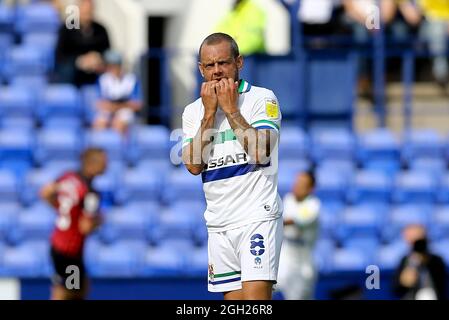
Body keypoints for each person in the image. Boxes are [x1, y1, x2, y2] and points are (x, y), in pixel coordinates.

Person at [182, 32, 283, 300]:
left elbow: (261, 151)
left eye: (223, 63)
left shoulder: (262, 99)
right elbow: (193, 165)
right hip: (218, 224)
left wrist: (231, 110)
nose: (217, 72)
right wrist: (209, 114)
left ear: (239, 62)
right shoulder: (193, 111)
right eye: (210, 65)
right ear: (201, 69)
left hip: (256, 217)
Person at [40, 148, 107, 300]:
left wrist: (60, 207)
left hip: (58, 244)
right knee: (70, 291)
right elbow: (86, 227)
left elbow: (45, 192)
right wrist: (99, 220)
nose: (106, 166)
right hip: (70, 251)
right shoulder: (90, 193)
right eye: (104, 162)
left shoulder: (68, 176)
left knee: (76, 286)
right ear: (93, 164)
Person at [277, 171, 321, 300]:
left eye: (302, 184)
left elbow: (295, 220)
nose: (297, 186)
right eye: (296, 182)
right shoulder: (288, 199)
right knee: (267, 288)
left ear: (310, 189)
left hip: (303, 262)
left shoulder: (314, 205)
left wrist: (271, 221)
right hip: (285, 255)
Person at [54, 0, 110, 87]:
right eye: (84, 11)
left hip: (95, 70)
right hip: (73, 71)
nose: (87, 14)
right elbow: (60, 56)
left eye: (89, 11)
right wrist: (80, 61)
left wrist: (97, 59)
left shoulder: (100, 30)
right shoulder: (68, 28)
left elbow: (107, 52)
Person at [93, 50, 143, 135]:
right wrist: (115, 107)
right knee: (99, 123)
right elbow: (99, 103)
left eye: (114, 65)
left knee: (119, 123)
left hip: (126, 111)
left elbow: (137, 105)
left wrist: (117, 107)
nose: (112, 68)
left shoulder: (132, 80)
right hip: (108, 110)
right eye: (109, 65)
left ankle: (118, 147)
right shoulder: (102, 79)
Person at [392, 224, 447, 300]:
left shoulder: (436, 260)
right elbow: (396, 289)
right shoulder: (405, 260)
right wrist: (403, 282)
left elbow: (441, 285)